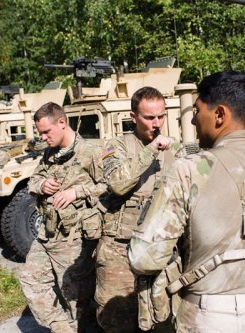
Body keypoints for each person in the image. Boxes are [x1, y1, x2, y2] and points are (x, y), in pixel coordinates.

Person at [128, 71, 245, 332]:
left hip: (205, 316)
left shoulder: (188, 171)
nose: (194, 120)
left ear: (219, 114)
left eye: (197, 111)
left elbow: (144, 258)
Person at [95, 86, 189, 332]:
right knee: (117, 318)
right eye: (149, 117)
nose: (157, 123)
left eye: (161, 116)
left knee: (163, 318)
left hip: (162, 249)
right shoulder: (117, 146)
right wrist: (151, 150)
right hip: (120, 249)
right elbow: (116, 183)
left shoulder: (177, 150)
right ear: (133, 117)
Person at [19, 102, 106, 333]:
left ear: (62, 122)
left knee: (75, 297)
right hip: (47, 234)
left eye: (47, 132)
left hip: (73, 237)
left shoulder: (91, 151)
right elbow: (32, 182)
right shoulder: (49, 154)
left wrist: (77, 191)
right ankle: (62, 328)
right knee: (31, 281)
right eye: (40, 133)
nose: (43, 137)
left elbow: (111, 186)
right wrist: (42, 184)